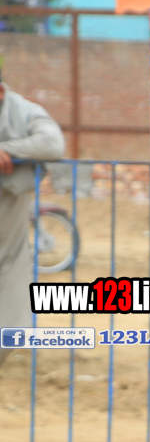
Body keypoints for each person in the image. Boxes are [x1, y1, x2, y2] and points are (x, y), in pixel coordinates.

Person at [0, 70, 65, 367]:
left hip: (9, 220)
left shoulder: (24, 111)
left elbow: (52, 144)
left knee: (12, 304)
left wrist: (7, 150)